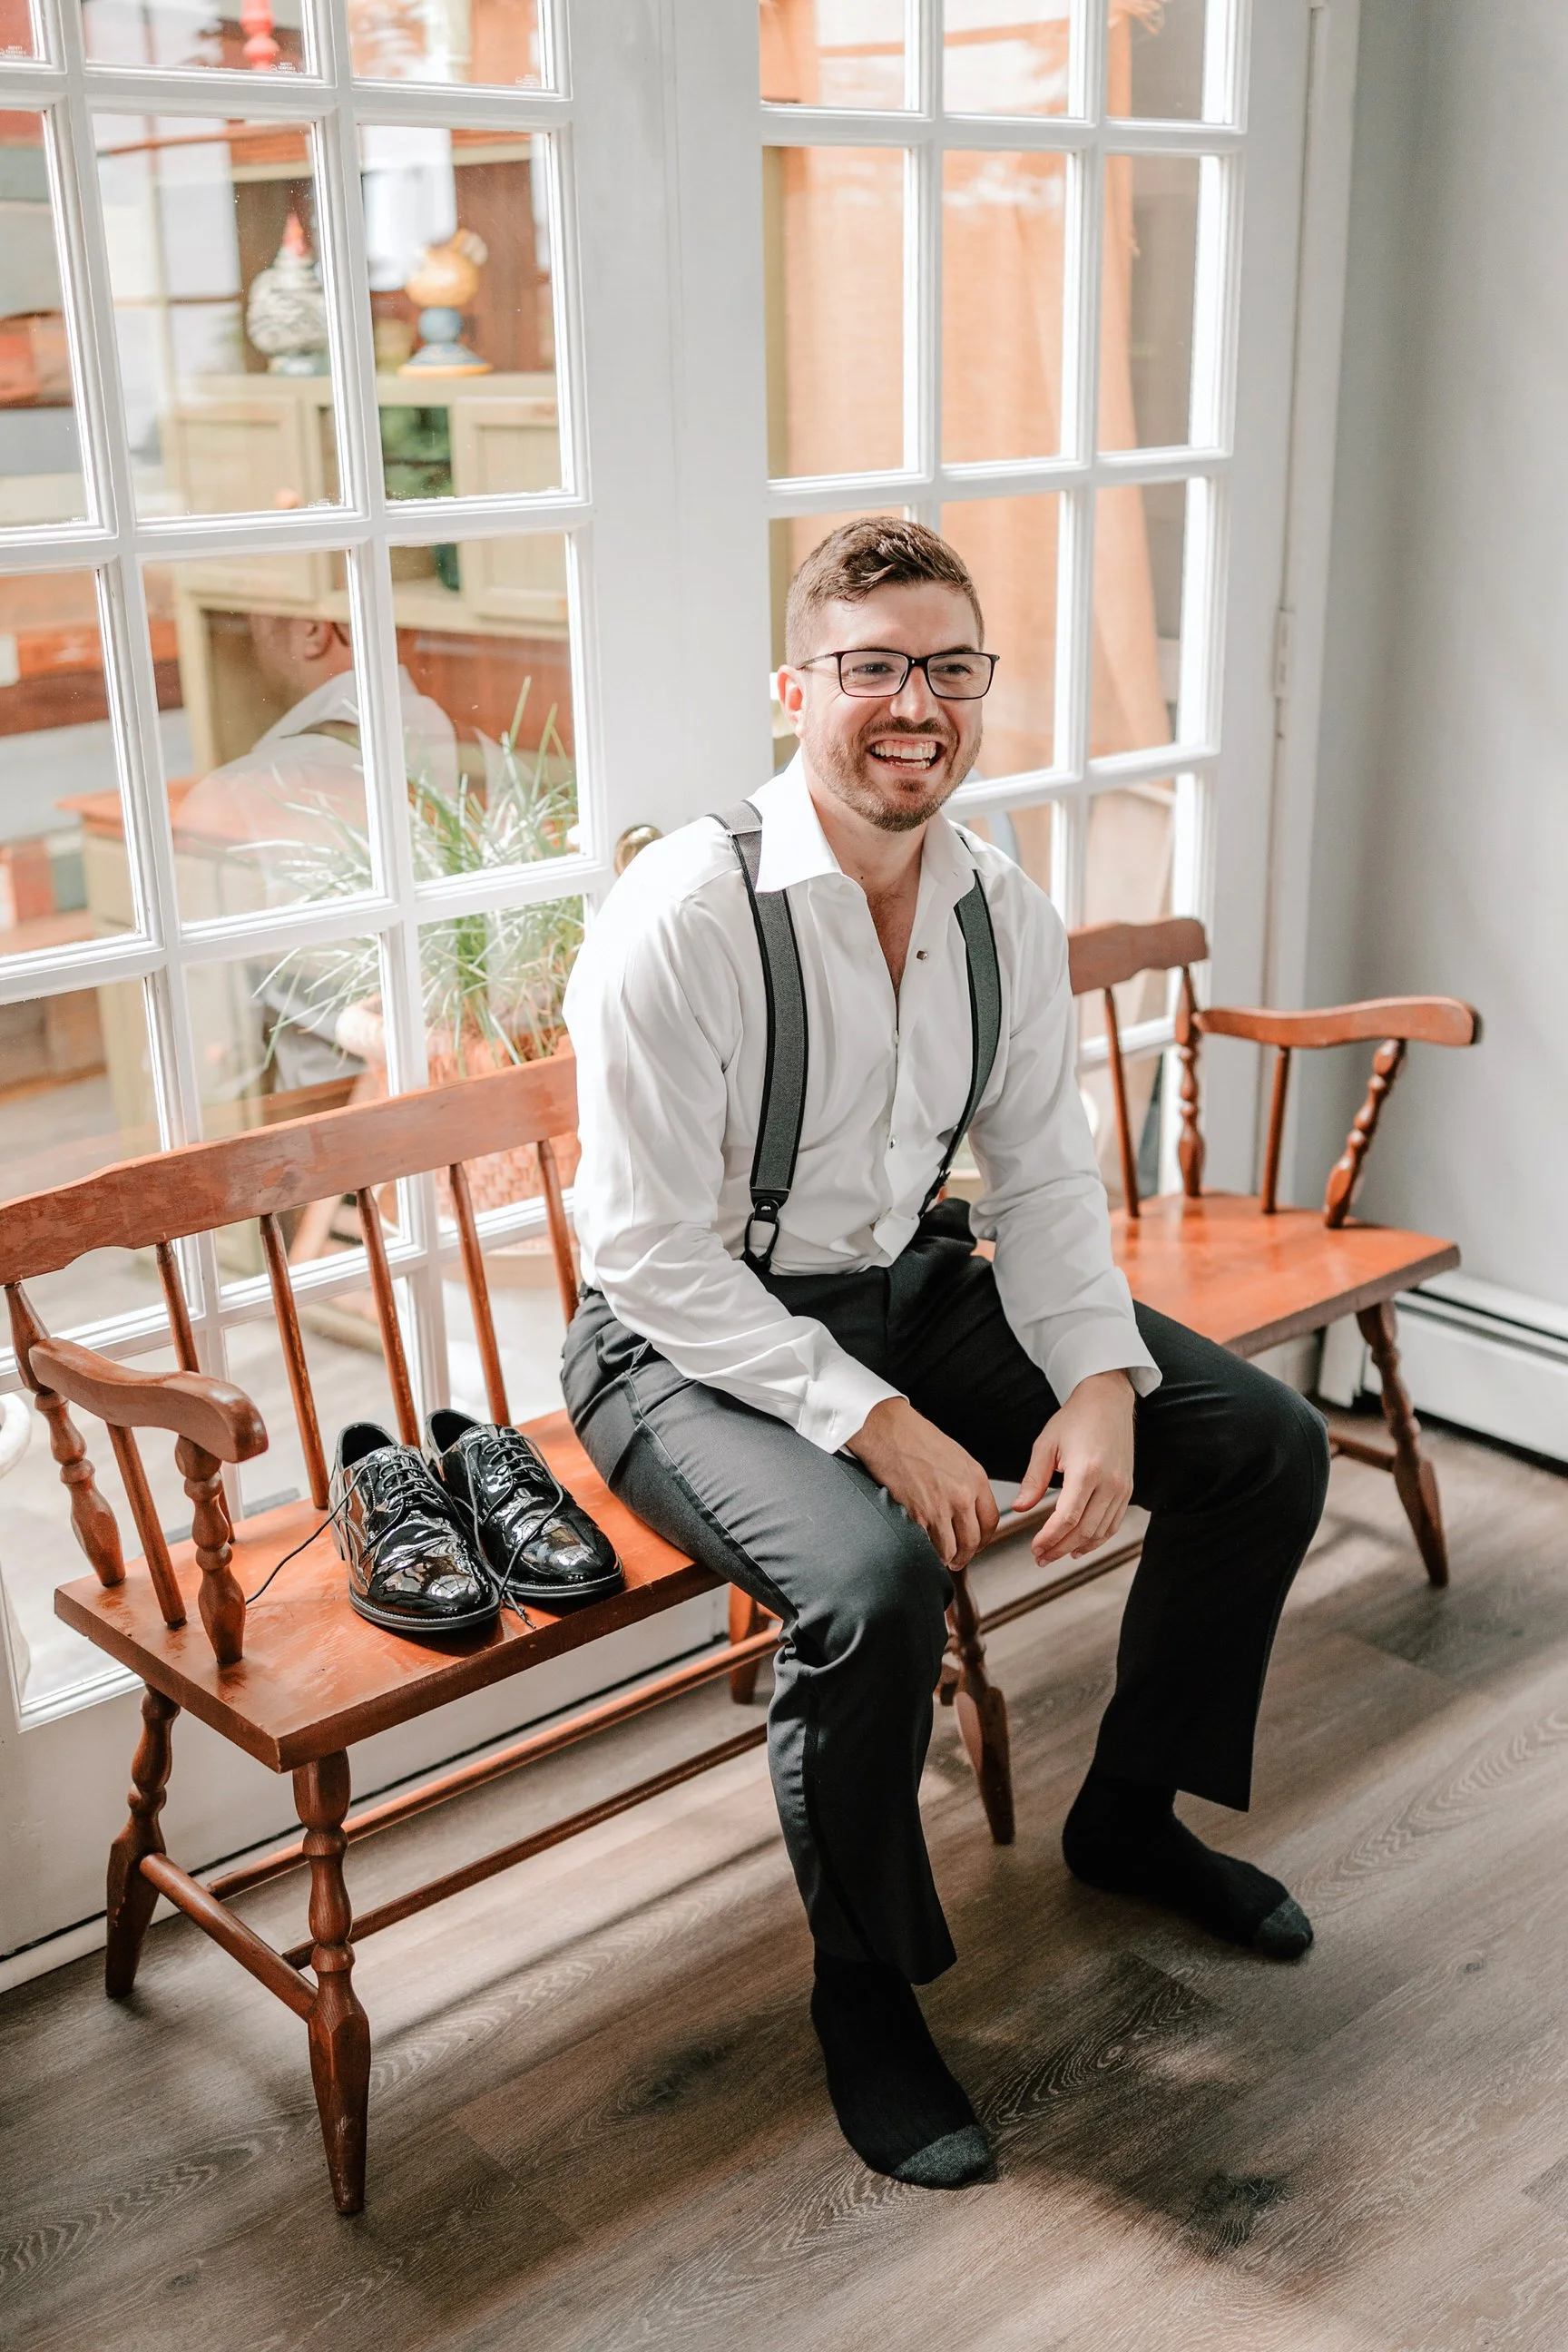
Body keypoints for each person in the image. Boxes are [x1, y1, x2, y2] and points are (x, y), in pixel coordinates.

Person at [561, 519, 1329, 2190]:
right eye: (873, 668)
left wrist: (1106, 1382)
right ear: (797, 689)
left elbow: (1042, 1181)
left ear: (981, 688)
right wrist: (873, 1420)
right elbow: (642, 1257)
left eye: (950, 667)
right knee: (872, 1587)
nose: (917, 703)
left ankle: (1127, 1818)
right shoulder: (683, 913)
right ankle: (868, 1990)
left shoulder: (999, 907)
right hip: (679, 1342)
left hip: (913, 1285)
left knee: (1262, 1443)